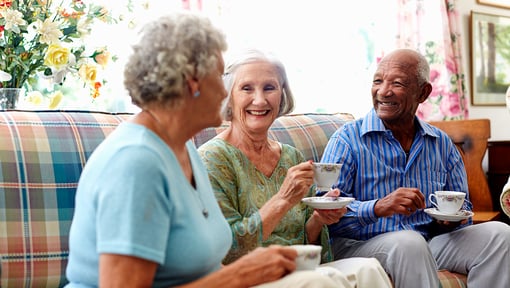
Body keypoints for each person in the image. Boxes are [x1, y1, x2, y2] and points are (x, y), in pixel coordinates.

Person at [64, 13, 349, 288]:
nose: (226, 92)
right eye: (220, 77)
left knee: (344, 276)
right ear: (193, 83)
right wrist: (241, 276)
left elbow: (205, 267)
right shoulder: (136, 163)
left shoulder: (183, 149)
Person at [198, 49, 393, 288]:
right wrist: (282, 199)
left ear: (282, 95)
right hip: (248, 278)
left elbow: (305, 241)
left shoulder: (291, 156)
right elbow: (229, 250)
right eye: (247, 88)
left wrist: (319, 219)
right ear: (229, 96)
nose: (259, 100)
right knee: (319, 282)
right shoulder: (213, 159)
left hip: (297, 270)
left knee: (368, 268)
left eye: (269, 88)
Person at [321, 48, 510, 288]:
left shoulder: (441, 144)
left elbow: (464, 209)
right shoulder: (347, 139)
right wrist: (378, 207)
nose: (383, 91)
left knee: (500, 235)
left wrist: (450, 220)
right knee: (409, 243)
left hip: (426, 241)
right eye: (377, 81)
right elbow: (325, 212)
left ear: (423, 92)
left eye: (397, 83)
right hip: (358, 245)